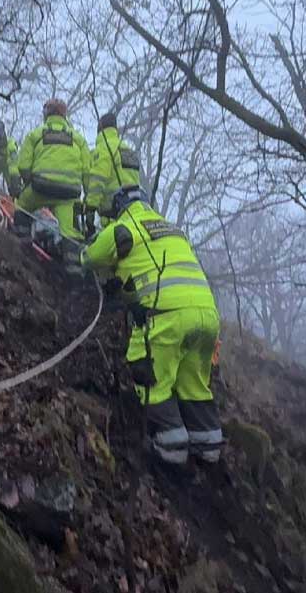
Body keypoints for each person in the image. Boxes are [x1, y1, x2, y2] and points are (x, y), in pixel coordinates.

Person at [81, 186, 223, 465]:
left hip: (166, 316)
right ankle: (209, 450)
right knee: (193, 383)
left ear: (121, 207)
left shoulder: (124, 226)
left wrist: (88, 251)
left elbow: (91, 258)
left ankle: (171, 453)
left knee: (151, 377)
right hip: (208, 317)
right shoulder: (173, 229)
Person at [16, 99, 91, 247]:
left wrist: (28, 182)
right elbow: (88, 172)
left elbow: (23, 166)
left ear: (46, 114)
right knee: (69, 234)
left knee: (22, 207)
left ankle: (21, 248)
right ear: (65, 115)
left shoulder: (35, 135)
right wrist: (87, 199)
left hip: (40, 188)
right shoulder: (79, 139)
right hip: (69, 194)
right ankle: (72, 264)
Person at [85, 112, 141, 234]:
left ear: (99, 129)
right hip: (133, 211)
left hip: (112, 214)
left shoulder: (103, 149)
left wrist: (90, 208)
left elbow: (97, 180)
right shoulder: (128, 150)